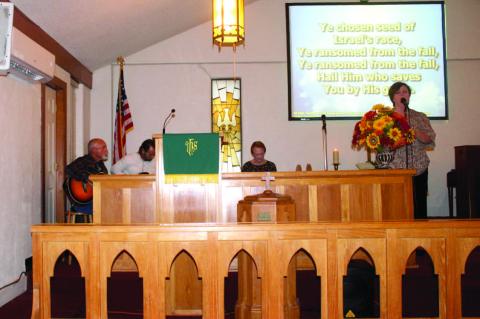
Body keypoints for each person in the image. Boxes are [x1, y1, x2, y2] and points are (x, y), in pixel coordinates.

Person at [388, 82, 436, 219]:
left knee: (419, 206)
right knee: (397, 207)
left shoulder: (420, 116)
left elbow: (430, 139)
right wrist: (395, 144)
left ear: (409, 96)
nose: (403, 95)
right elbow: (382, 146)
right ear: (393, 97)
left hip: (419, 168)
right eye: (398, 92)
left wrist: (415, 132)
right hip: (395, 168)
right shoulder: (387, 119)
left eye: (405, 92)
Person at [64, 138, 109, 214]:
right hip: (85, 201)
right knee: (109, 208)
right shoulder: (83, 161)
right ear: (94, 150)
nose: (107, 150)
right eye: (103, 147)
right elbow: (68, 169)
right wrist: (86, 178)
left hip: (94, 198)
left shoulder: (100, 165)